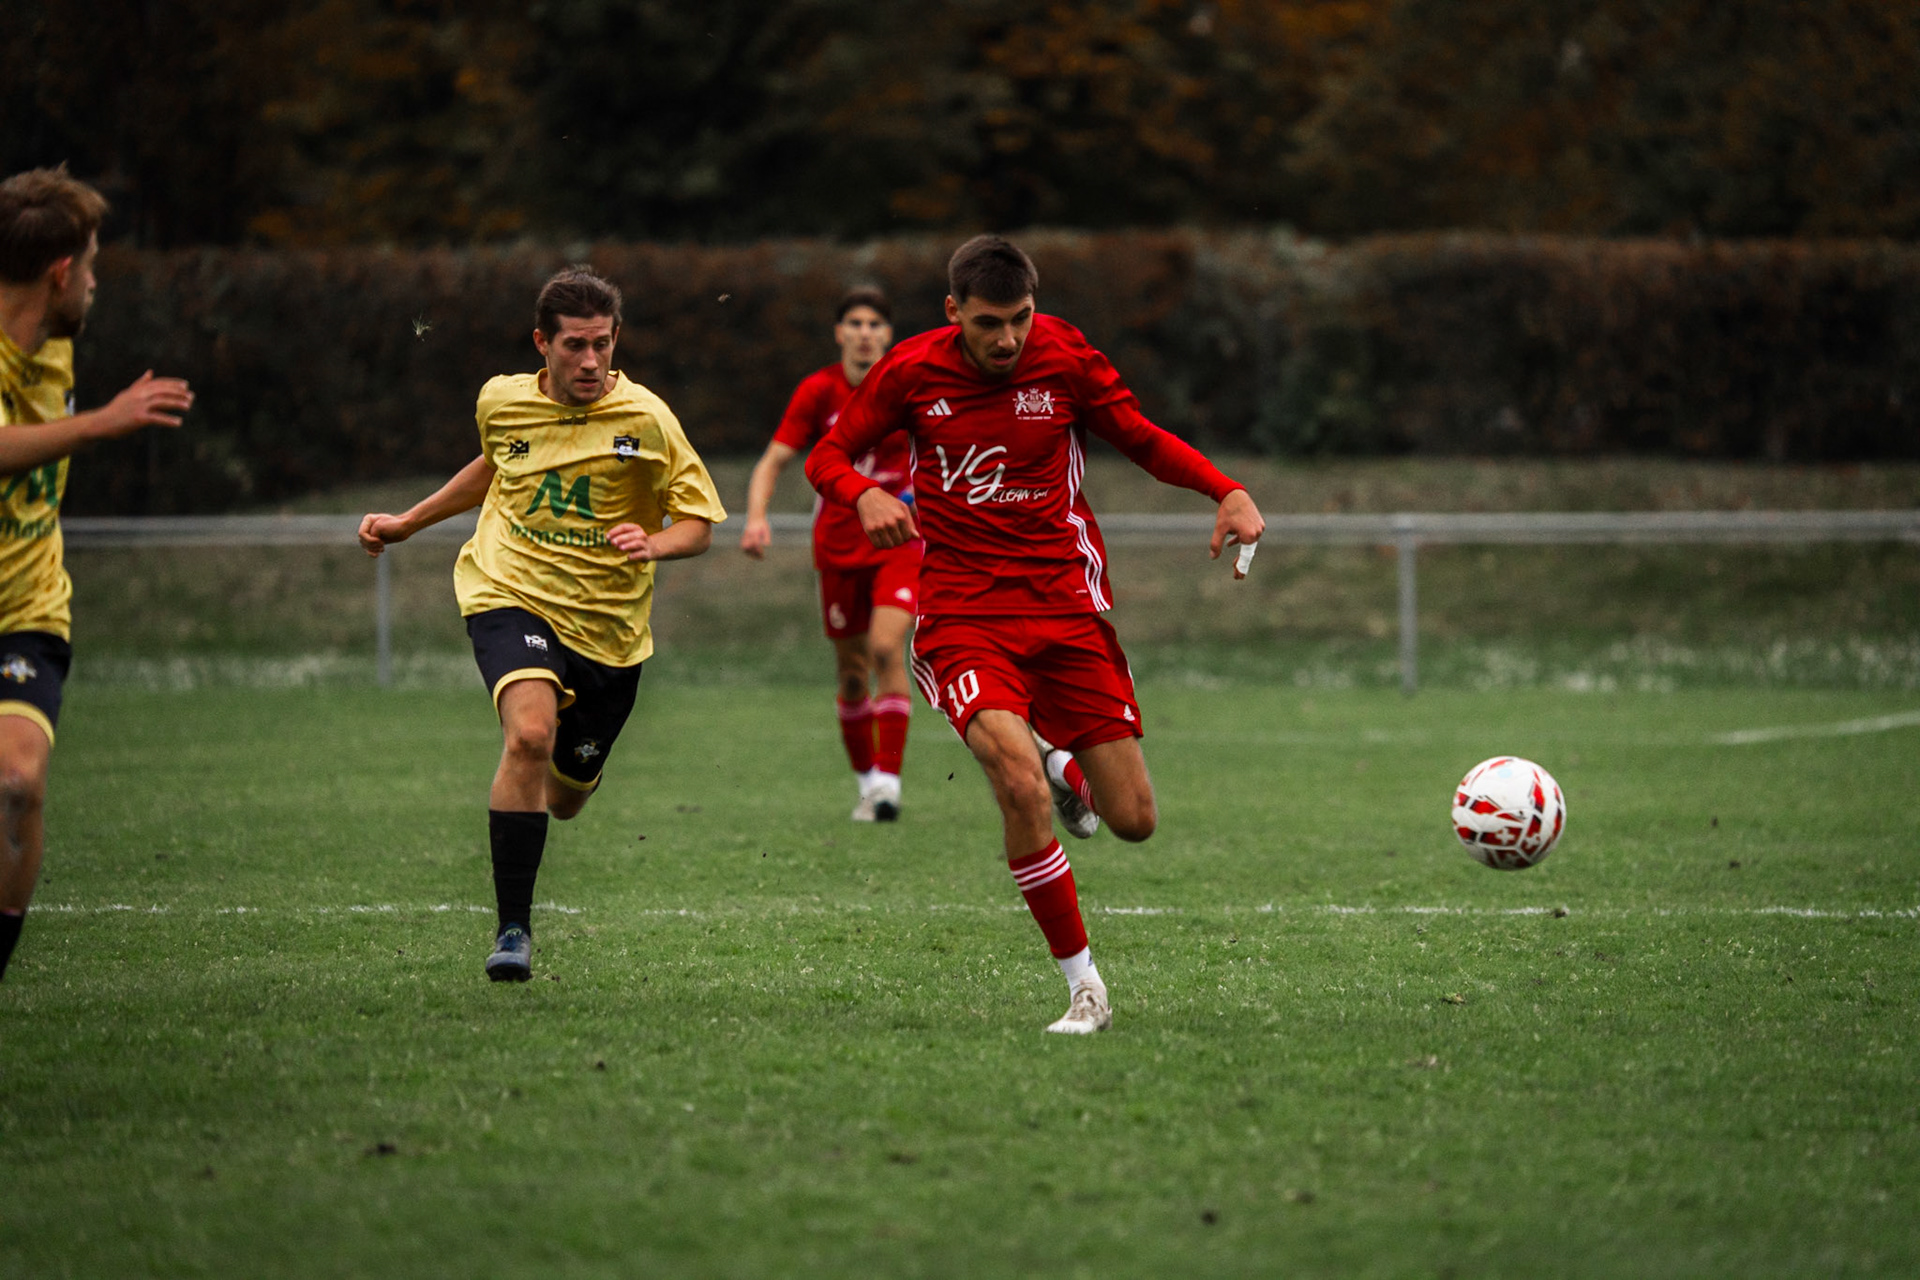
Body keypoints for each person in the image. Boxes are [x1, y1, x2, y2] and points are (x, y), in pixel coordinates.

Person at [805, 235, 1264, 1034]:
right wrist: (860, 496)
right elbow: (828, 453)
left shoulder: (1066, 359)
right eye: (989, 323)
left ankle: (1062, 764)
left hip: (1064, 605)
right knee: (1012, 782)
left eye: (1020, 318)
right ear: (954, 313)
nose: (1008, 339)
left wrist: (1225, 489)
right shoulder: (912, 370)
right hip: (962, 613)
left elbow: (1142, 437)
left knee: (1134, 820)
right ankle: (1086, 987)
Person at [358, 265, 726, 982]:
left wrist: (654, 542)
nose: (590, 361)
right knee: (528, 734)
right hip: (509, 589)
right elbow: (495, 467)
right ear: (542, 344)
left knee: (566, 799)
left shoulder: (648, 420)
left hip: (610, 632)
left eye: (601, 344)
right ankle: (513, 930)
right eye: (573, 347)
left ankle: (568, 779)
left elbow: (700, 525)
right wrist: (408, 522)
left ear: (616, 339)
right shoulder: (501, 401)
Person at [0, 167, 194, 982]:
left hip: (27, 609)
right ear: (57, 273)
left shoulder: (57, 348)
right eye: (88, 263)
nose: (94, 281)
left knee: (16, 780)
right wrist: (100, 424)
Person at [739, 288, 920, 822]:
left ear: (889, 335)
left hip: (900, 542)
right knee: (850, 672)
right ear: (840, 332)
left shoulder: (909, 386)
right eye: (855, 323)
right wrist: (755, 517)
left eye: (875, 324)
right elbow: (773, 460)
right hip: (838, 548)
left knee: (887, 649)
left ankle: (888, 783)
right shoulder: (818, 391)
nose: (865, 332)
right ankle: (867, 784)